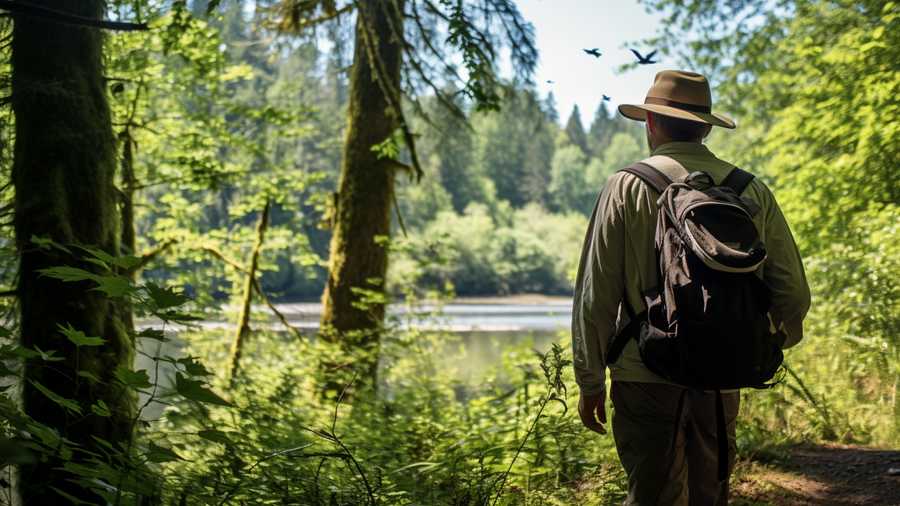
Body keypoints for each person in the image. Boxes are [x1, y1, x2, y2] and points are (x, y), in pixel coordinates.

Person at [571, 70, 811, 505]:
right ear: (705, 127)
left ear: (651, 123)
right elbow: (792, 292)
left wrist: (590, 380)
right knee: (710, 495)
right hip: (722, 374)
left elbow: (596, 295)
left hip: (644, 372)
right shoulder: (749, 189)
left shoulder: (625, 186)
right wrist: (761, 342)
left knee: (653, 496)